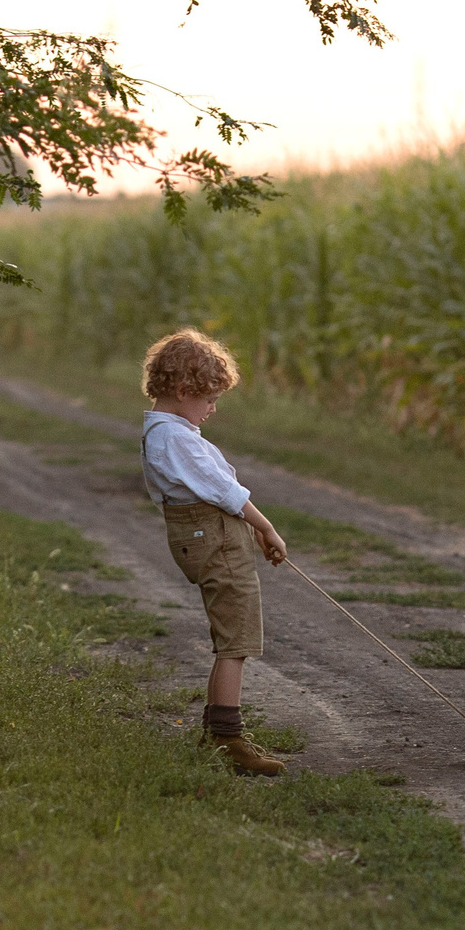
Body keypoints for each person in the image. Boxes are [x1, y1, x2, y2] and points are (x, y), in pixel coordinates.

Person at [140, 329, 291, 776]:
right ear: (183, 391)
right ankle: (228, 739)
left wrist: (251, 530)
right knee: (236, 639)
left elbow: (216, 490)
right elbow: (223, 491)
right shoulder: (176, 438)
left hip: (215, 534)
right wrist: (266, 527)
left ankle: (219, 732)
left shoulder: (169, 431)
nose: (212, 409)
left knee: (235, 636)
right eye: (208, 399)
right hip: (214, 539)